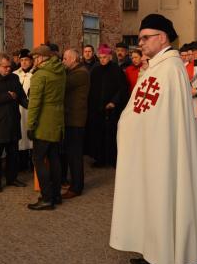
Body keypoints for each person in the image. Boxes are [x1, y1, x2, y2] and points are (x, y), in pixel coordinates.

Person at [110, 14, 197, 264]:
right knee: (151, 201)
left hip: (162, 153)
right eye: (140, 38)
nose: (139, 43)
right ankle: (154, 253)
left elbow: (163, 119)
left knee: (162, 200)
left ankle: (163, 257)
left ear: (162, 38)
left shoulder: (170, 70)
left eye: (144, 38)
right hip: (149, 150)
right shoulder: (157, 68)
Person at [26, 45, 66, 211]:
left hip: (43, 121)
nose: (33, 61)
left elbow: (34, 103)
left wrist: (30, 125)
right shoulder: (61, 71)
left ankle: (47, 198)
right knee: (54, 158)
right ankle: (56, 195)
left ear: (42, 58)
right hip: (57, 118)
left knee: (38, 159)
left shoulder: (40, 75)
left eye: (35, 58)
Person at [0, 53, 28, 192]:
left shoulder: (14, 78)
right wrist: (7, 96)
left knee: (13, 153)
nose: (8, 69)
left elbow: (21, 96)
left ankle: (12, 178)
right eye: (5, 67)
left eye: (10, 66)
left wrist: (31, 105)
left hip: (13, 120)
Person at [87, 44, 127, 168]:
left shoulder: (116, 70)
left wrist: (114, 102)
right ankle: (100, 159)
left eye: (105, 57)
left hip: (112, 110)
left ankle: (113, 159)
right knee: (98, 134)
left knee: (112, 135)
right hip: (97, 109)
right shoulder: (95, 69)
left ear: (110, 57)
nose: (102, 60)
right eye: (100, 57)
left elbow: (122, 89)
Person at [61, 48, 90, 199]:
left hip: (75, 120)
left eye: (65, 58)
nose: (63, 61)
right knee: (70, 153)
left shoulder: (80, 73)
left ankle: (76, 187)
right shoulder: (74, 71)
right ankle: (71, 182)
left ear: (73, 59)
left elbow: (62, 84)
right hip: (70, 118)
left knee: (75, 155)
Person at [14, 49, 34, 169]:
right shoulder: (15, 74)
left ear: (31, 61)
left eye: (26, 60)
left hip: (30, 109)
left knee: (30, 134)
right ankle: (22, 162)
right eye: (22, 60)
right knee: (20, 134)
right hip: (18, 110)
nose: (24, 62)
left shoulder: (35, 74)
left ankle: (32, 162)